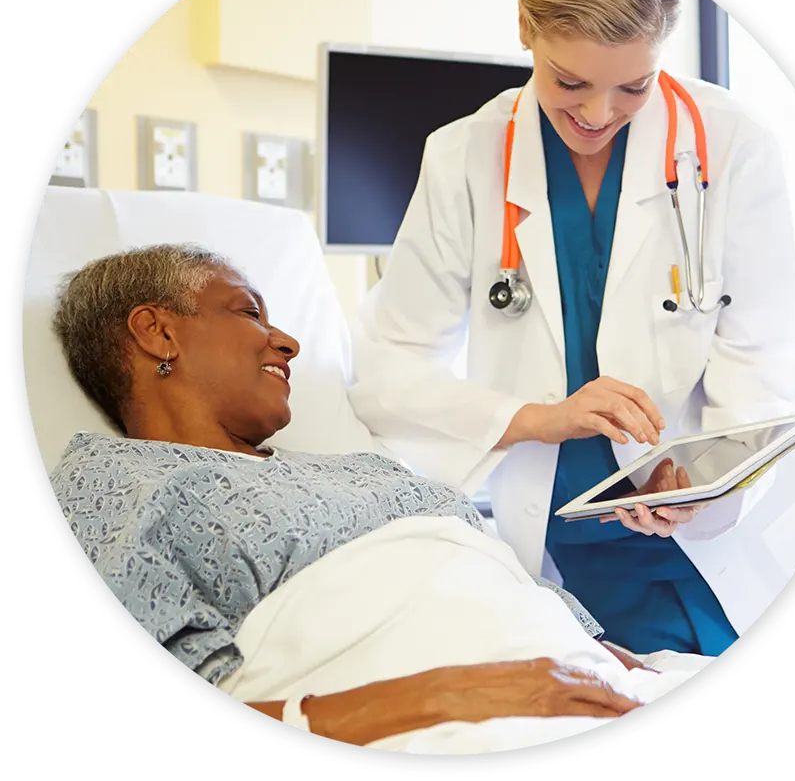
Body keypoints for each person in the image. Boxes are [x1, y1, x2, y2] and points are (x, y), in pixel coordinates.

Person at [348, 0, 795, 657]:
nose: (599, 114)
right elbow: (387, 369)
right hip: (546, 549)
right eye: (570, 82)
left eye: (634, 87)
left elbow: (764, 365)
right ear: (525, 26)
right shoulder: (463, 157)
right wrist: (538, 417)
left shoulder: (735, 148)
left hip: (700, 548)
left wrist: (703, 482)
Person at [48, 244, 707, 754]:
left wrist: (631, 674)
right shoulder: (113, 487)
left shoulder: (366, 469)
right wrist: (453, 692)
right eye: (248, 312)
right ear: (156, 332)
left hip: (580, 682)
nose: (289, 342)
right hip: (443, 717)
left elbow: (520, 607)